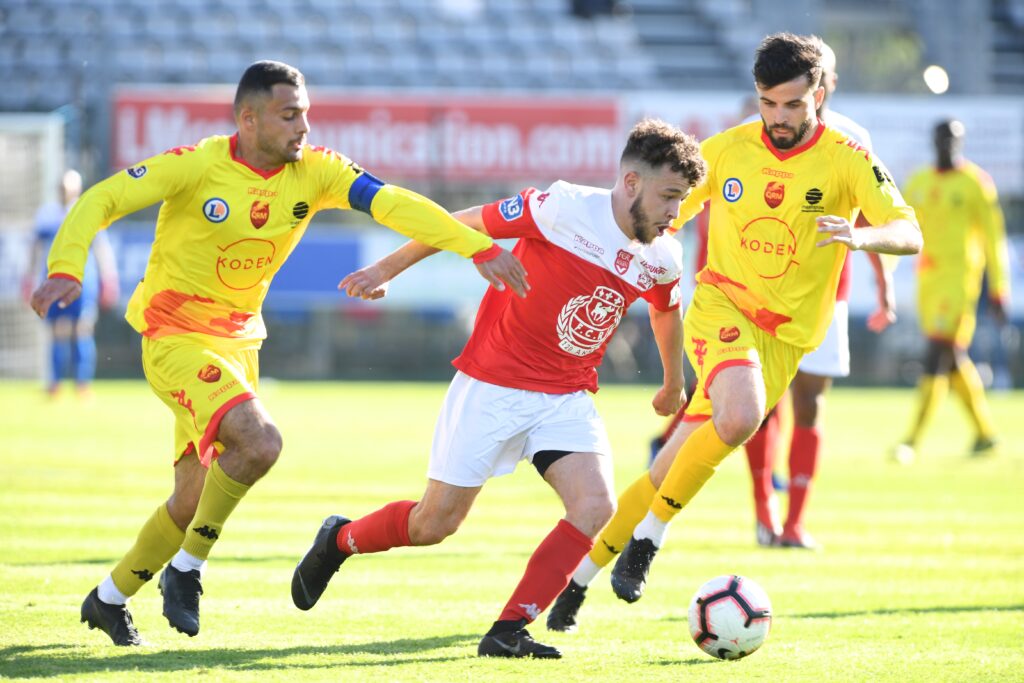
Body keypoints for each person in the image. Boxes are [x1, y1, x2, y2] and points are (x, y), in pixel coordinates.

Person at [29, 60, 528, 647]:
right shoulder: (196, 166)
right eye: (290, 115)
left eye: (307, 114)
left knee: (191, 500)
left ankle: (108, 600)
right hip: (174, 337)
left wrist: (473, 246)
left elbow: (392, 202)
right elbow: (101, 199)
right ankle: (188, 569)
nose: (304, 128)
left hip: (240, 343)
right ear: (248, 119)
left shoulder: (315, 172)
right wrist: (66, 265)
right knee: (260, 442)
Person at [290, 119, 707, 659]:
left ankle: (508, 630)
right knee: (433, 524)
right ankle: (339, 540)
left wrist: (674, 382)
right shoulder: (560, 208)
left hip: (566, 397)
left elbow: (667, 314)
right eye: (669, 196)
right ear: (631, 183)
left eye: (682, 200)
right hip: (493, 384)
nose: (676, 213)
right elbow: (454, 224)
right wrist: (385, 268)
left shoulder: (663, 256)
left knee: (594, 506)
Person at [546, 32, 921, 633]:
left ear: (818, 96)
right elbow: (659, 214)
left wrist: (861, 235)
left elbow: (909, 232)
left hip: (788, 340)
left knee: (668, 469)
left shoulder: (850, 159)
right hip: (722, 306)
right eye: (767, 103)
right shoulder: (725, 150)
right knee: (742, 416)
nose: (777, 118)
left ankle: (576, 585)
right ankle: (651, 539)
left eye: (792, 106)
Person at [894, 119, 1011, 464]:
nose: (948, 144)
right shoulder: (919, 182)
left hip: (960, 281)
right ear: (934, 141)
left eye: (954, 138)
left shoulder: (976, 183)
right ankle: (985, 434)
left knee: (937, 351)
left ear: (960, 142)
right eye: (943, 138)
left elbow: (993, 237)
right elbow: (900, 223)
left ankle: (911, 441)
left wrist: (999, 289)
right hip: (928, 281)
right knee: (953, 357)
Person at [24, 170, 119, 398]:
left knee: (83, 328)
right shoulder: (46, 214)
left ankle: (82, 385)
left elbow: (101, 249)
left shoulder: (86, 210)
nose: (65, 192)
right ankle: (55, 384)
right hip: (54, 278)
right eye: (62, 188)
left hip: (85, 279)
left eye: (69, 188)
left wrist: (109, 278)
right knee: (58, 331)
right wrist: (28, 277)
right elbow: (35, 248)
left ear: (77, 190)